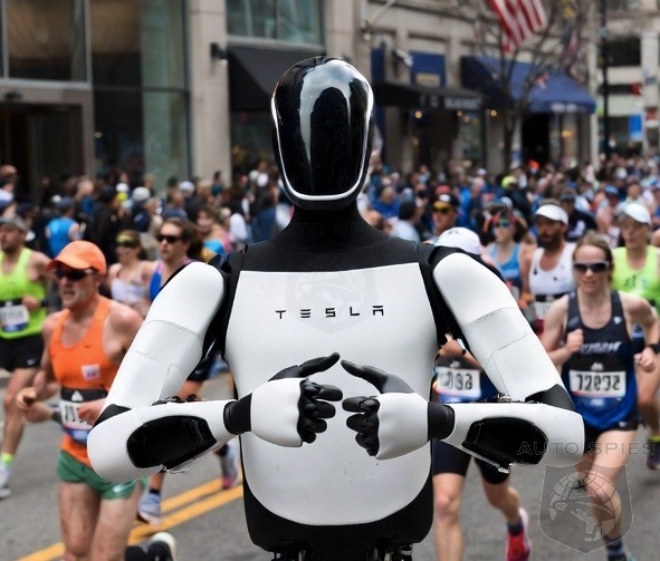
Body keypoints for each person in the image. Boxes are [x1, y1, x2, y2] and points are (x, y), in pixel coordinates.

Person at [88, 57, 583, 561]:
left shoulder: (445, 273)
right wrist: (241, 414)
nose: (323, 152)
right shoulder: (212, 283)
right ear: (371, 148)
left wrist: (439, 421)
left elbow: (566, 436)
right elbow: (107, 448)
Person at [14, 240, 168, 561]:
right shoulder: (52, 326)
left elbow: (160, 382)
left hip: (118, 459)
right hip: (73, 456)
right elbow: (48, 378)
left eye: (74, 274)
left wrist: (111, 404)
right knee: (75, 552)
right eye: (60, 274)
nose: (65, 282)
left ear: (98, 278)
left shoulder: (122, 321)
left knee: (105, 557)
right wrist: (33, 393)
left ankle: (154, 555)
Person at [542, 232, 659, 561]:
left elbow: (653, 322)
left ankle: (617, 554)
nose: (589, 273)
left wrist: (651, 350)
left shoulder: (630, 305)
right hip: (578, 417)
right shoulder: (562, 310)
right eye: (581, 267)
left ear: (609, 268)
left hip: (619, 414)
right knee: (595, 490)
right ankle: (615, 547)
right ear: (574, 269)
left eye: (597, 266)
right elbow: (540, 359)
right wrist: (566, 350)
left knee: (598, 486)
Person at [433, 227, 531, 561]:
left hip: (490, 415)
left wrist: (459, 353)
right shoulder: (429, 302)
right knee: (444, 504)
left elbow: (513, 369)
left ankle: (516, 524)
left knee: (497, 497)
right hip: (448, 413)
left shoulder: (496, 305)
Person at [136, 216, 239, 525]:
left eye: (171, 238)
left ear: (185, 243)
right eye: (161, 237)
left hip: (194, 353)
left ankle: (153, 496)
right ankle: (223, 451)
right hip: (162, 352)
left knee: (164, 411)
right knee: (181, 417)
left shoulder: (197, 274)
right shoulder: (153, 271)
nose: (163, 243)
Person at [0, 215, 51, 499]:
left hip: (30, 340)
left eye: (8, 231)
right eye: (0, 231)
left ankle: (3, 469)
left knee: (11, 400)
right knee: (17, 403)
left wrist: (42, 301)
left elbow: (68, 285)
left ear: (22, 234)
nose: (3, 236)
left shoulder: (36, 261)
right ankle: (51, 409)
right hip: (3, 339)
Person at [609, 202, 660, 469]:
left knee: (644, 397)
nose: (629, 232)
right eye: (625, 226)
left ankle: (656, 436)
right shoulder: (612, 258)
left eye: (636, 227)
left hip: (655, 337)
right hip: (622, 340)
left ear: (647, 229)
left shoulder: (657, 258)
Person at [521, 201, 576, 335]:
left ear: (563, 226)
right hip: (541, 330)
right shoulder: (530, 259)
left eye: (550, 224)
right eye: (540, 224)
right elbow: (526, 295)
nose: (544, 230)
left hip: (570, 328)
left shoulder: (575, 254)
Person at [104, 230, 155, 318]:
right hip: (119, 319)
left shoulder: (147, 268)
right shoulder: (114, 271)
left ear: (137, 249)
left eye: (126, 245)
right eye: (118, 245)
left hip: (141, 319)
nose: (120, 250)